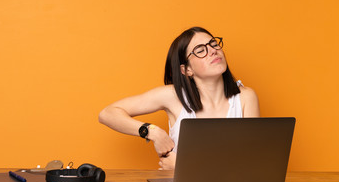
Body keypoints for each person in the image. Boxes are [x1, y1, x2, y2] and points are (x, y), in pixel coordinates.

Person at [98, 27, 260, 170]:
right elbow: (108, 113)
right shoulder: (173, 96)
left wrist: (184, 165)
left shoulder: (246, 97)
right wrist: (152, 132)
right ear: (187, 70)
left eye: (213, 44)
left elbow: (251, 162)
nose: (212, 50)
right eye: (200, 50)